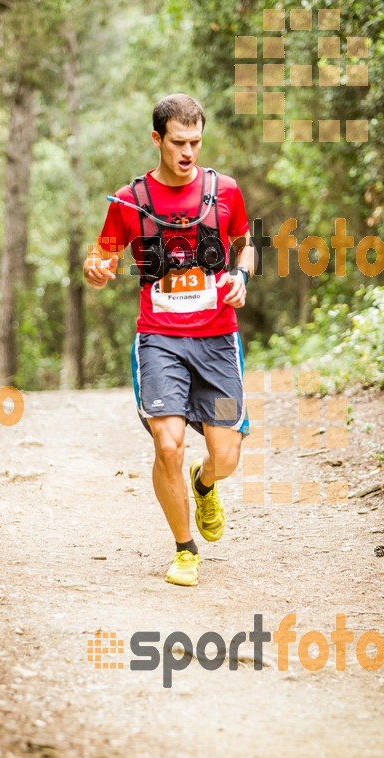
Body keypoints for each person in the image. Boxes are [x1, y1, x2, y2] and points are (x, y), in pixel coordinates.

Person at [83, 93, 254, 587]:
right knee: (169, 443)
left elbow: (246, 249)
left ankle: (205, 486)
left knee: (225, 457)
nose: (188, 153)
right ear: (157, 139)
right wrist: (97, 271)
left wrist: (243, 276)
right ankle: (184, 549)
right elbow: (101, 260)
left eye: (196, 142)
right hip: (159, 339)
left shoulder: (226, 191)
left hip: (218, 338)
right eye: (178, 142)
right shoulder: (129, 201)